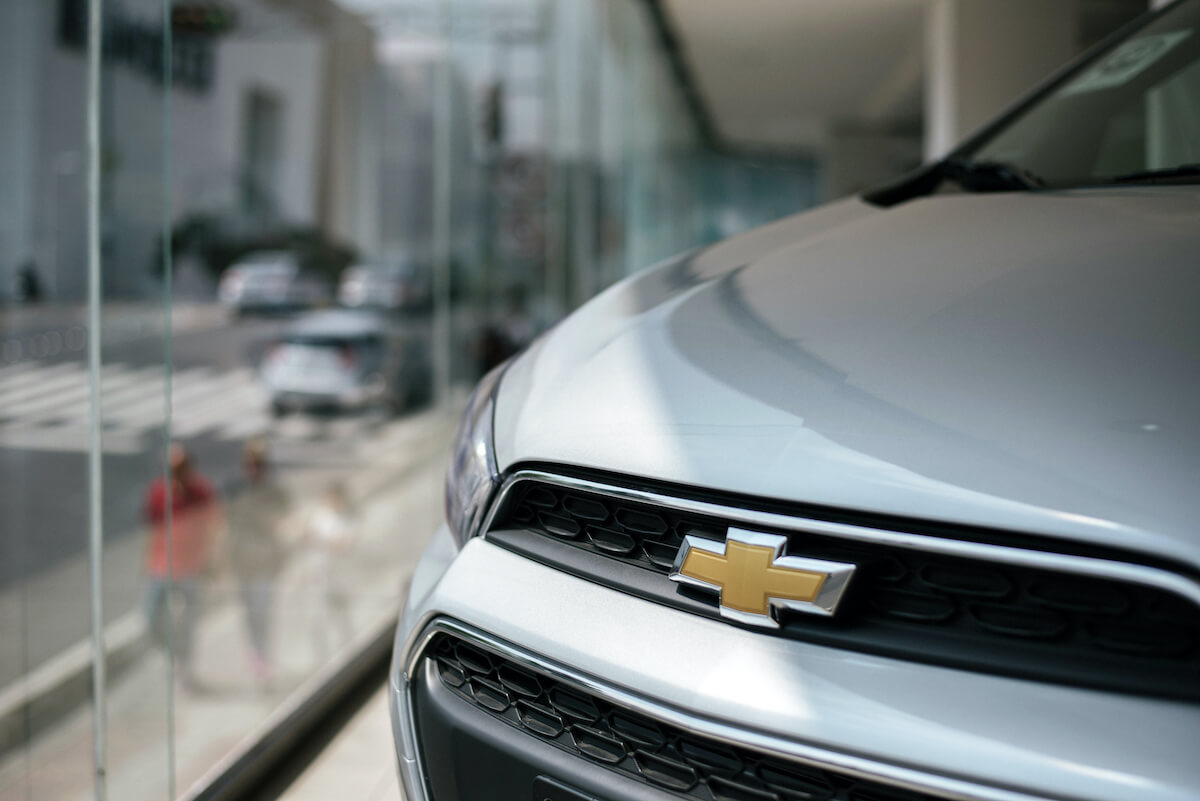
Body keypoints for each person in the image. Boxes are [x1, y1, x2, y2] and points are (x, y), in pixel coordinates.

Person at [143, 443, 219, 689]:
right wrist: (146, 558)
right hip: (163, 565)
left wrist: (213, 560)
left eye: (180, 468)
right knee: (150, 616)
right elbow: (151, 528)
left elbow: (215, 525)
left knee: (189, 620)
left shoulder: (201, 491)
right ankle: (174, 654)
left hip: (191, 566)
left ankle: (185, 666)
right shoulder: (158, 493)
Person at [223, 437, 291, 684]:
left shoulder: (274, 492)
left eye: (259, 464)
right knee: (249, 611)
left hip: (264, 560)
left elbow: (282, 523)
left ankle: (263, 655)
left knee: (263, 610)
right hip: (243, 560)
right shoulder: (235, 490)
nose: (254, 469)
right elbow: (226, 524)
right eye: (250, 464)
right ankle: (256, 654)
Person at [300, 482, 356, 662]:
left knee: (341, 618)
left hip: (338, 578)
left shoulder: (348, 519)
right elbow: (307, 541)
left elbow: (344, 545)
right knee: (316, 620)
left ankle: (347, 654)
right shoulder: (320, 516)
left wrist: (320, 539)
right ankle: (321, 658)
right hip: (319, 577)